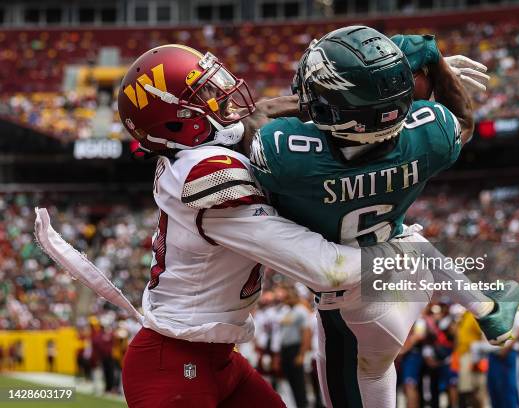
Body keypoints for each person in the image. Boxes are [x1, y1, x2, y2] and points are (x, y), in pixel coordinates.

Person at [35, 44, 420, 408]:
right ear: (175, 122)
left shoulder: (195, 160)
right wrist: (398, 256)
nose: (223, 99)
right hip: (173, 366)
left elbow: (265, 124)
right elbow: (325, 267)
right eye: (206, 96)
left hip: (215, 359)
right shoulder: (206, 175)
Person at [247, 26, 519, 407]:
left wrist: (323, 100)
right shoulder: (430, 135)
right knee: (407, 242)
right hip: (401, 281)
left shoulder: (291, 156)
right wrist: (431, 64)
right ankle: (486, 307)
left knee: (358, 379)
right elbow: (462, 120)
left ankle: (485, 306)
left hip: (347, 304)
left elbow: (259, 114)